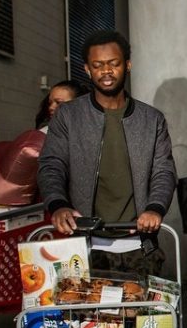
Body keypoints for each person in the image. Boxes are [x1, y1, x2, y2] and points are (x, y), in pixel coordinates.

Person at [37, 30, 177, 277]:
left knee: (140, 314)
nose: (106, 71)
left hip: (138, 243)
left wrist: (155, 207)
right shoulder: (69, 116)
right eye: (98, 65)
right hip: (84, 245)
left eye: (114, 63)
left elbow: (163, 170)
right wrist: (58, 204)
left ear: (128, 65)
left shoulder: (151, 119)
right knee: (88, 315)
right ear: (88, 70)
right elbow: (52, 164)